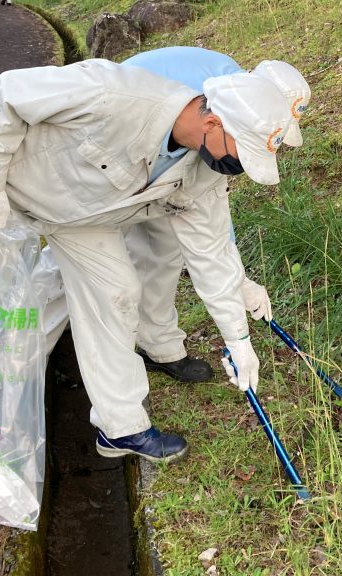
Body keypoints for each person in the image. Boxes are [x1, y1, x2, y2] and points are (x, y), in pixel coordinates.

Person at [0, 58, 298, 532]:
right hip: (0, 190)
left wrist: (238, 341)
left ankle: (120, 427)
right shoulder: (117, 94)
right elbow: (7, 91)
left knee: (117, 293)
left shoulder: (205, 174)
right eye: (241, 154)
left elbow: (213, 256)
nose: (238, 168)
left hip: (76, 216)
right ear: (213, 122)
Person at [121, 47, 311, 384]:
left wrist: (238, 278)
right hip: (124, 155)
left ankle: (159, 346)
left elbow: (209, 207)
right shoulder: (216, 99)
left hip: (161, 167)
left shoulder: (239, 100)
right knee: (96, 268)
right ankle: (31, 341)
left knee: (163, 249)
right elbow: (205, 209)